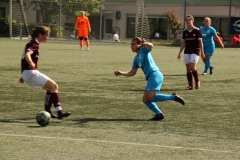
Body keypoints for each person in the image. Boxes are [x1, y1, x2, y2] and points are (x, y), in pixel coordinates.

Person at [114, 37, 185, 121]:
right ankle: (159, 114)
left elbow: (151, 46)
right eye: (131, 44)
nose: (131, 46)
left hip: (155, 74)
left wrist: (148, 44)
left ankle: (173, 97)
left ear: (138, 45)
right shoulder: (136, 58)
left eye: (133, 44)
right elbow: (132, 72)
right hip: (151, 77)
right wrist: (121, 73)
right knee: (145, 99)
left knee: (150, 97)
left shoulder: (144, 49)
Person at [18, 26, 71, 119]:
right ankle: (59, 112)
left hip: (28, 74)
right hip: (31, 73)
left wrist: (23, 75)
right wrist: (30, 63)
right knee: (54, 86)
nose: (48, 38)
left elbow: (23, 58)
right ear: (40, 35)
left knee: (51, 88)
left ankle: (48, 111)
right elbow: (27, 54)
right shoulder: (34, 43)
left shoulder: (32, 42)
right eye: (47, 35)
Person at [177, 15, 205, 90]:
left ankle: (197, 81)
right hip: (187, 51)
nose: (188, 21)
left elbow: (200, 42)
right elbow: (183, 43)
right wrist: (179, 53)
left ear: (193, 20)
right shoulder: (185, 31)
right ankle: (190, 85)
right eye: (187, 20)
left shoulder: (197, 30)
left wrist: (202, 52)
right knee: (188, 68)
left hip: (195, 51)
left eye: (189, 20)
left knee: (192, 67)